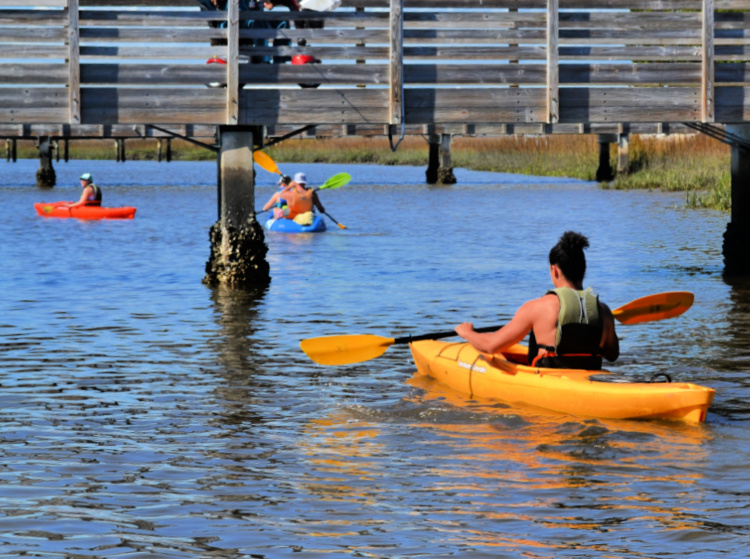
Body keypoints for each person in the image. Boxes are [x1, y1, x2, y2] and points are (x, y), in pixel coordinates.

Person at [455, 231, 619, 370]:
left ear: (554, 270)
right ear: (583, 270)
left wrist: (468, 333)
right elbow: (612, 355)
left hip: (549, 381)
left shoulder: (537, 308)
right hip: (589, 380)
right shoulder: (603, 311)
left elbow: (491, 345)